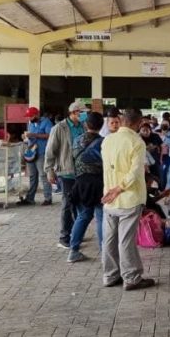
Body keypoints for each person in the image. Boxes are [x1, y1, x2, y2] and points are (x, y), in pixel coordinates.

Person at [99, 108, 155, 291]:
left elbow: (108, 168)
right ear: (138, 123)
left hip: (109, 198)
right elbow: (135, 171)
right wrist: (120, 188)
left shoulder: (107, 140)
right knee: (126, 240)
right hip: (128, 198)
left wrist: (112, 190)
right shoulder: (136, 142)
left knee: (109, 238)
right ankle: (131, 277)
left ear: (122, 120)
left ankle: (110, 275)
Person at [45, 101, 86, 249]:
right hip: (66, 171)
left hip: (81, 171)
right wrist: (49, 170)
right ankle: (64, 237)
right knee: (68, 204)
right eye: (82, 112)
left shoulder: (83, 126)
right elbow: (50, 151)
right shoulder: (59, 128)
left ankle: (76, 232)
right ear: (74, 112)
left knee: (80, 203)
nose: (85, 115)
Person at [67, 112, 105, 263]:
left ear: (86, 124)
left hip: (81, 182)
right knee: (101, 216)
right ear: (101, 126)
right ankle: (104, 253)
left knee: (83, 216)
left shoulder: (76, 141)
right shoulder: (104, 142)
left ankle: (73, 251)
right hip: (99, 182)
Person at [21, 107, 53, 206]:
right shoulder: (30, 123)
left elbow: (49, 135)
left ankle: (48, 198)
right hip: (31, 152)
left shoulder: (46, 122)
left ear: (36, 115)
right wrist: (26, 137)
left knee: (43, 175)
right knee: (32, 176)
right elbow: (29, 136)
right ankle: (30, 198)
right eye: (28, 117)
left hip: (42, 152)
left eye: (31, 116)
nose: (29, 118)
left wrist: (34, 135)